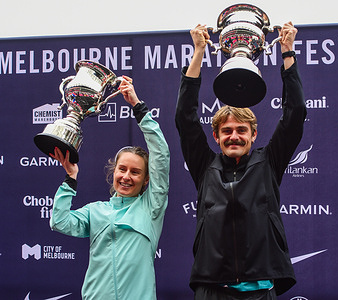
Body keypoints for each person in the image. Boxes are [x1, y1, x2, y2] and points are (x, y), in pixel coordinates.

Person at [175, 22, 306, 299]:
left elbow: (295, 114)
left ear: (254, 134)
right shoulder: (204, 167)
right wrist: (199, 51)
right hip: (212, 288)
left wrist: (287, 52)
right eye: (227, 131)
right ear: (216, 136)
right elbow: (184, 118)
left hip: (260, 289)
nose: (234, 136)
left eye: (241, 130)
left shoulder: (268, 162)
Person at [49, 75, 170, 300]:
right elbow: (59, 222)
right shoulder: (95, 211)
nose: (126, 177)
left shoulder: (151, 208)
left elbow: (161, 155)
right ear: (113, 172)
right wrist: (70, 180)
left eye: (135, 172)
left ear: (146, 180)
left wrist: (138, 106)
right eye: (122, 169)